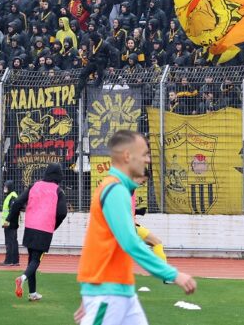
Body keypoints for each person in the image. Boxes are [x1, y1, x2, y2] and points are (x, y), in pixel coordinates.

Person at [75, 131, 196, 325]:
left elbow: (98, 242)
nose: (148, 160)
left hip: (121, 292)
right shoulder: (115, 190)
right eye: (144, 154)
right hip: (108, 293)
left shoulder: (118, 188)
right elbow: (130, 242)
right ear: (127, 156)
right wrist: (172, 274)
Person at [7, 163, 68, 301]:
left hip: (30, 227)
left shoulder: (34, 185)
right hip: (44, 229)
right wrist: (53, 225)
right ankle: (22, 278)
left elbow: (17, 203)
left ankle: (32, 293)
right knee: (36, 260)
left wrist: (12, 222)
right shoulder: (58, 191)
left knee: (31, 259)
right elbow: (62, 213)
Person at [0, 180, 20, 266]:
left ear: (10, 187)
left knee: (9, 242)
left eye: (6, 187)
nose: (4, 188)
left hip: (10, 223)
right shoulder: (11, 196)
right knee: (13, 241)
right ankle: (15, 261)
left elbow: (12, 211)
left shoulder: (12, 196)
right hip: (12, 223)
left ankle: (9, 261)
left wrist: (7, 220)